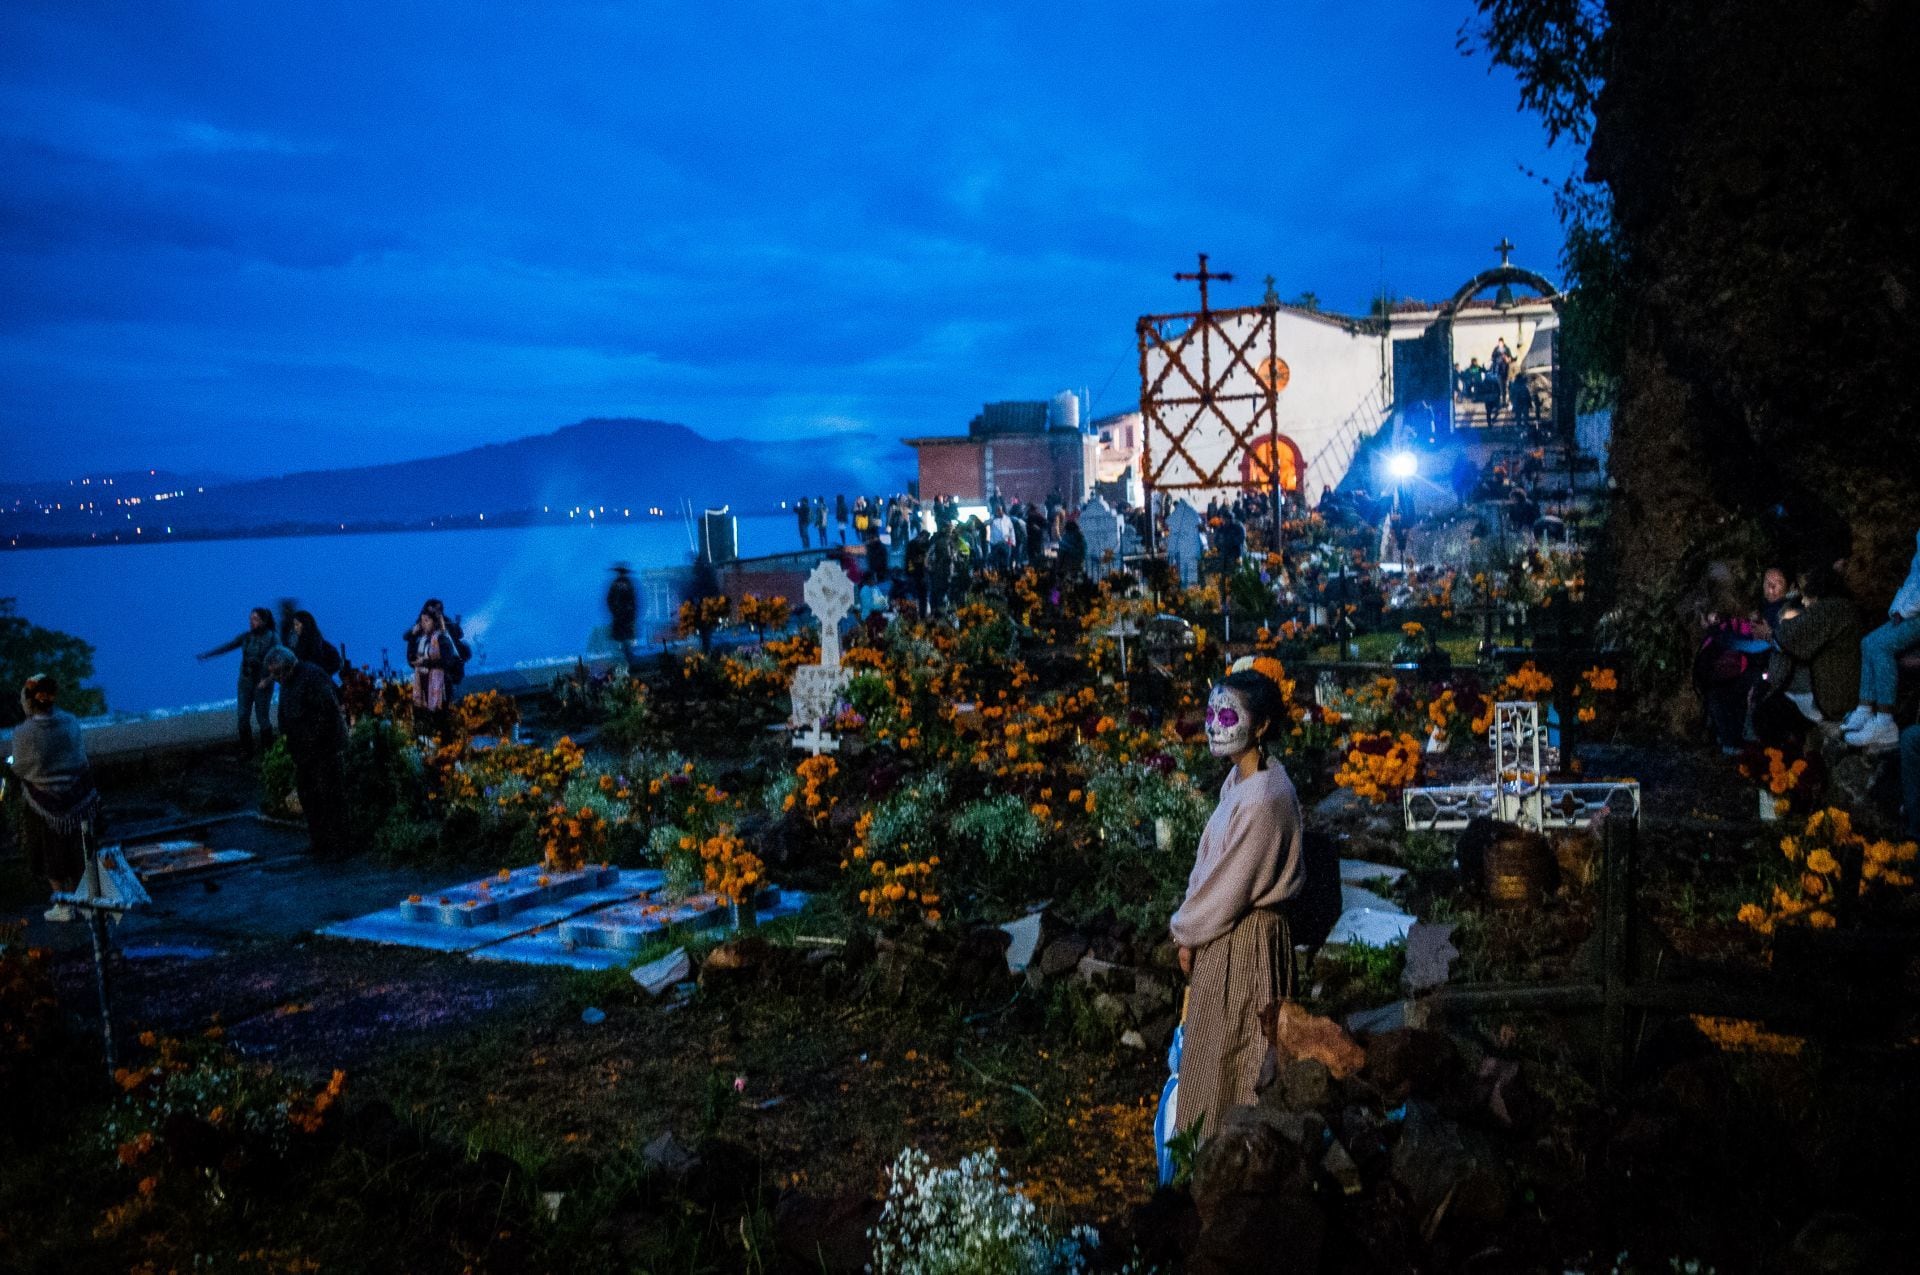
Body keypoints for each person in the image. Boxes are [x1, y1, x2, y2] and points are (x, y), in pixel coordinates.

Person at [1170, 667, 1305, 1146]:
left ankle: (1230, 1164)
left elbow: (1230, 886)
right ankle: (1204, 1163)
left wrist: (1186, 931)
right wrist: (1190, 929)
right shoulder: (1240, 783)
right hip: (1225, 937)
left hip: (1245, 943)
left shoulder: (1266, 799)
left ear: (1261, 726)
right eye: (1211, 713)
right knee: (1215, 1057)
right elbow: (1209, 865)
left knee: (1239, 1058)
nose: (1214, 725)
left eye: (1228, 715)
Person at [10, 674, 99, 921]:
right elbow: (81, 758)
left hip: (44, 805)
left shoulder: (24, 732)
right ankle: (84, 901)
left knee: (51, 854)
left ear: (29, 700)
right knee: (77, 852)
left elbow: (20, 768)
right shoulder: (70, 722)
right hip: (77, 800)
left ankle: (64, 905)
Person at [1755, 565, 1861, 746]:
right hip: (1825, 692)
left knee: (1766, 715)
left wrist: (1768, 634)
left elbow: (1792, 637)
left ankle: (1782, 765)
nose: (1803, 600)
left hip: (1830, 697)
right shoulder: (1837, 608)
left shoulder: (1830, 609)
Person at [265, 647, 351, 860]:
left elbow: (327, 711)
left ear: (286, 667)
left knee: (332, 795)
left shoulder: (312, 675)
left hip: (324, 747)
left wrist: (312, 739)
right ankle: (320, 841)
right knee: (309, 796)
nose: (275, 679)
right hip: (303, 750)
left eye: (276, 673)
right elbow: (285, 711)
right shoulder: (288, 683)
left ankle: (342, 844)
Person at [1841, 529, 1920, 750]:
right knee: (1868, 642)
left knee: (1881, 646)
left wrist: (1905, 610)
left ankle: (1885, 721)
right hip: (1910, 608)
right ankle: (1865, 709)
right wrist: (1900, 606)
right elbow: (1915, 575)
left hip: (1916, 612)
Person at [198, 606, 279, 755]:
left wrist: (268, 680)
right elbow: (228, 646)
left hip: (262, 683)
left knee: (263, 718)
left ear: (263, 621)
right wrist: (208, 654)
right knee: (242, 716)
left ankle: (269, 752)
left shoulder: (273, 637)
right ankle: (247, 750)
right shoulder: (246, 637)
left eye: (255, 619)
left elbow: (281, 661)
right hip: (246, 682)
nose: (251, 622)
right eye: (250, 619)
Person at [409, 608, 456, 713]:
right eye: (422, 621)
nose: (423, 624)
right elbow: (411, 660)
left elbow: (447, 662)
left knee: (439, 717)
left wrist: (425, 662)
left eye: (426, 620)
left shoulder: (442, 639)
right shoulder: (423, 640)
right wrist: (412, 637)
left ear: (434, 622)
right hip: (424, 687)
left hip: (441, 687)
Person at [288, 610, 343, 678]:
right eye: (294, 625)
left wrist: (321, 674)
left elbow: (335, 663)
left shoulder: (322, 646)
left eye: (297, 624)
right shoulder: (296, 643)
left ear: (305, 624)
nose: (295, 628)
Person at [606, 564, 639, 667]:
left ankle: (629, 660)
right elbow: (610, 600)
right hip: (620, 617)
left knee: (627, 639)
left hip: (626, 617)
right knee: (622, 639)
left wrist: (631, 611)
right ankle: (625, 659)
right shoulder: (616, 585)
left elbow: (634, 601)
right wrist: (615, 611)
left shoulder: (627, 584)